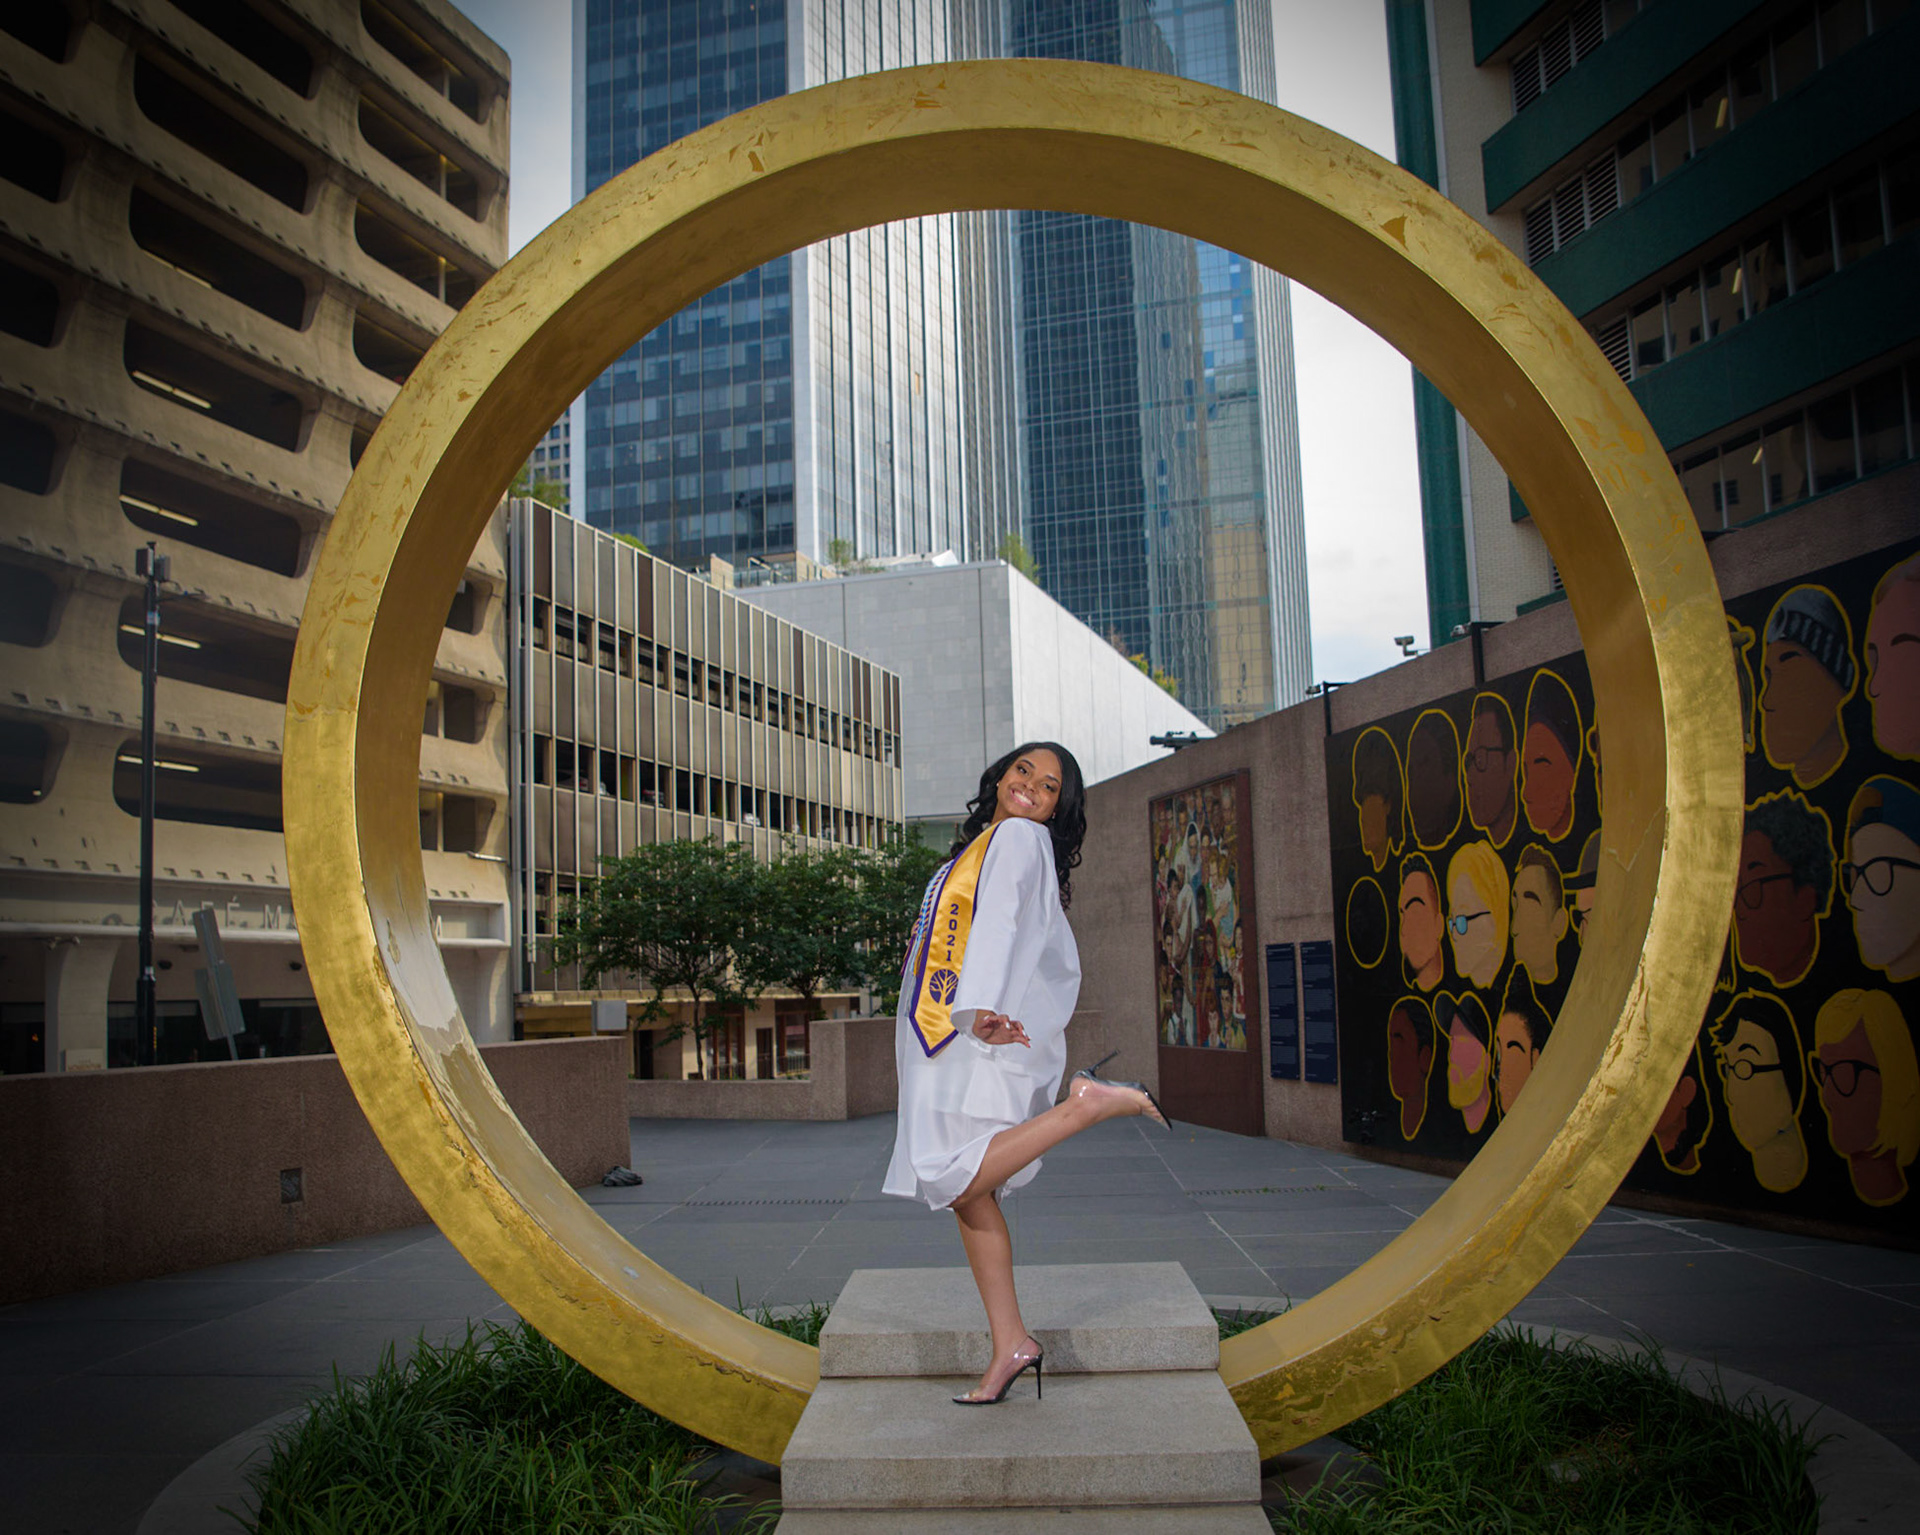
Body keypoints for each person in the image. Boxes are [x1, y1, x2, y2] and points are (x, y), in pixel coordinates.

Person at [883, 741, 1168, 1406]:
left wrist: (981, 1009)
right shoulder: (985, 845)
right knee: (969, 1193)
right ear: (1000, 774)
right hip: (953, 1032)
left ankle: (1085, 1105)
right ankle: (1011, 1342)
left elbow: (1002, 924)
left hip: (971, 1035)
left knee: (951, 1172)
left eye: (1049, 787)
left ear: (1055, 809)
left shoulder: (1014, 838)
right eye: (1024, 772)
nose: (1031, 788)